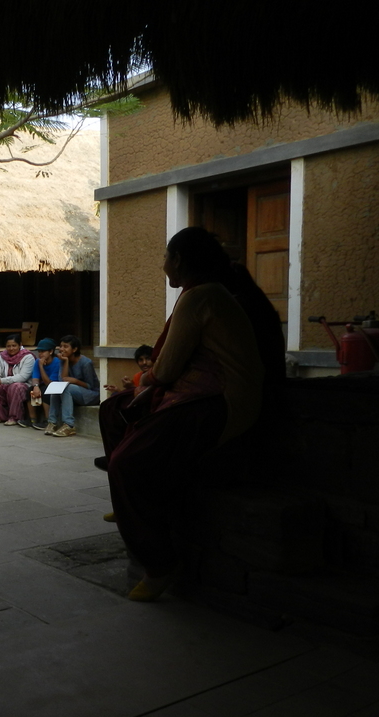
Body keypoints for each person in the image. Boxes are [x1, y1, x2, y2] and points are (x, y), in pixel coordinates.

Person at [108, 227, 265, 602]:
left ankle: (160, 564)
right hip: (199, 393)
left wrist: (144, 382)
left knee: (125, 463)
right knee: (113, 410)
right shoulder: (204, 293)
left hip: (219, 402)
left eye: (165, 257)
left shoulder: (201, 296)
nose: (163, 264)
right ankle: (128, 502)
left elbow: (165, 369)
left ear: (177, 260)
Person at [46, 335, 100, 437]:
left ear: (74, 349)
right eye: (61, 346)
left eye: (66, 346)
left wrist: (76, 381)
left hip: (91, 395)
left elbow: (90, 386)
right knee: (57, 388)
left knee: (67, 388)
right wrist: (65, 361)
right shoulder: (63, 360)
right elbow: (62, 380)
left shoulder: (86, 363)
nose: (62, 349)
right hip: (73, 392)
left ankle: (69, 425)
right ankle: (52, 422)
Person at [0, 334, 35, 426]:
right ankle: (1, 416)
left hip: (24, 384)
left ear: (20, 345)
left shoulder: (28, 357)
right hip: (7, 383)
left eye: (14, 345)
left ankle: (15, 417)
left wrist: (1, 381)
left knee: (15, 387)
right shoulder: (2, 356)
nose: (11, 348)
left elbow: (22, 377)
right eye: (8, 346)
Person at [26, 338, 61, 431]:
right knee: (30, 390)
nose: (40, 354)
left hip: (54, 386)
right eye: (39, 351)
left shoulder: (57, 362)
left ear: (51, 351)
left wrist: (41, 366)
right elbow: (35, 377)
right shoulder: (37, 361)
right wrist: (35, 387)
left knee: (46, 391)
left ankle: (48, 420)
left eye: (43, 351)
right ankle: (32, 419)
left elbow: (48, 383)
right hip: (43, 385)